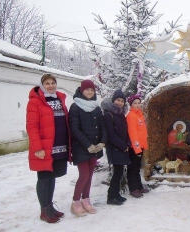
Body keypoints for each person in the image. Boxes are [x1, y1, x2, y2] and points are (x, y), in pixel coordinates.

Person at [26, 74, 71, 223]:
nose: (51, 86)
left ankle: (49, 207)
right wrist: (38, 148)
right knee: (44, 178)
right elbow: (32, 126)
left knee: (52, 177)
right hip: (44, 148)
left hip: (59, 146)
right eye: (47, 83)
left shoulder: (59, 99)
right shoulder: (35, 102)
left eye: (53, 83)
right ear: (41, 85)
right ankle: (44, 210)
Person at [69, 80, 107, 216]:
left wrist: (102, 142)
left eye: (92, 90)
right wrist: (88, 145)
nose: (90, 92)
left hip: (95, 148)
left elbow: (103, 126)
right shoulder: (75, 107)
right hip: (82, 147)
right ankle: (75, 202)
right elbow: (75, 129)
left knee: (90, 176)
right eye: (87, 90)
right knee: (84, 175)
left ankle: (86, 200)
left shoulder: (96, 107)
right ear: (82, 91)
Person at [102, 90, 131, 205]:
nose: (120, 103)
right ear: (113, 100)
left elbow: (126, 132)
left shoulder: (121, 115)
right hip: (114, 148)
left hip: (122, 147)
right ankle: (111, 196)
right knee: (117, 172)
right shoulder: (108, 115)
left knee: (119, 172)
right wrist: (123, 146)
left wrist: (128, 143)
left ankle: (116, 194)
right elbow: (111, 134)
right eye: (118, 100)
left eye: (122, 101)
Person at [126, 95, 149, 198]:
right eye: (135, 103)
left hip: (140, 146)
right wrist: (137, 148)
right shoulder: (131, 116)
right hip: (134, 147)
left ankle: (139, 186)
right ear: (131, 104)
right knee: (132, 168)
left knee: (137, 168)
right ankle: (133, 188)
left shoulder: (140, 115)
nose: (137, 105)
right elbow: (133, 133)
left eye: (139, 103)